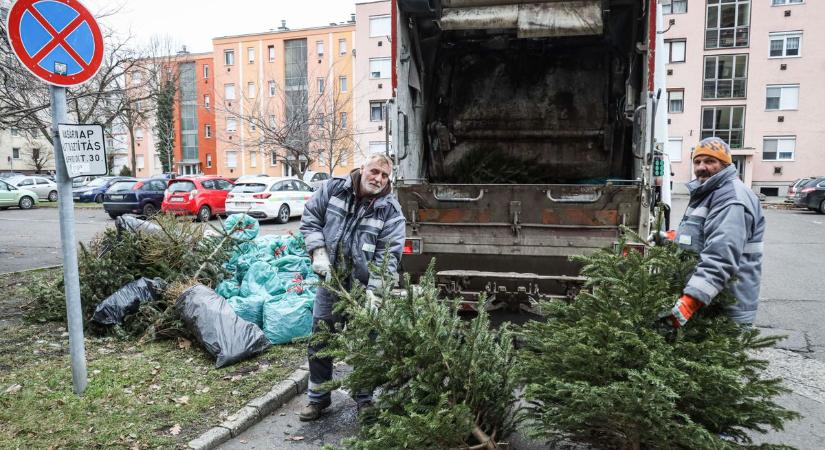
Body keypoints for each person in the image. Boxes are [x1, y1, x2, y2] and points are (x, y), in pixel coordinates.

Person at [298, 153, 406, 421]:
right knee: (321, 340)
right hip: (331, 284)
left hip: (363, 288)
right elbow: (311, 217)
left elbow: (389, 256)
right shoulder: (333, 189)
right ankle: (318, 399)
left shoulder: (390, 211)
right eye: (374, 171)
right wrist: (317, 250)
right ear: (362, 169)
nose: (378, 178)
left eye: (384, 175)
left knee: (366, 345)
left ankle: (364, 400)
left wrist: (376, 291)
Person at [664, 137, 765, 327]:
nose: (701, 167)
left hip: (726, 306)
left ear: (726, 164)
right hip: (709, 300)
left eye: (710, 161)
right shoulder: (709, 192)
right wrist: (672, 238)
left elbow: (721, 255)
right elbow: (701, 235)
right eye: (697, 161)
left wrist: (690, 301)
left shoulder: (731, 198)